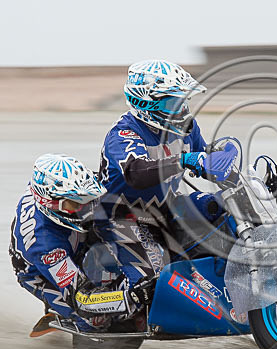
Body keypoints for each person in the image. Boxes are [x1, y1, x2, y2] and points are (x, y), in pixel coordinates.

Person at [95, 59, 238, 292]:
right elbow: (136, 173)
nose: (182, 108)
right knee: (153, 286)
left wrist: (228, 163)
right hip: (122, 217)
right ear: (146, 102)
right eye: (173, 101)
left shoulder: (186, 127)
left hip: (166, 208)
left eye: (184, 100)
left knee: (221, 206)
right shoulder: (124, 133)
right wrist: (182, 161)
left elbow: (204, 160)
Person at [10, 153, 147, 336]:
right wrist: (132, 297)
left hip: (68, 235)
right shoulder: (45, 246)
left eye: (87, 199)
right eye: (75, 203)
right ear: (51, 205)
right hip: (37, 272)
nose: (87, 207)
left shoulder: (72, 184)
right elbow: (84, 300)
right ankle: (61, 314)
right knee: (95, 320)